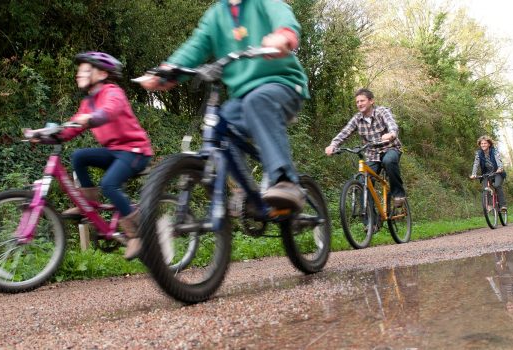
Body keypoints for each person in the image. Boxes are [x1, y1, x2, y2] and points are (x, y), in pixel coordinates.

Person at [139, 0, 309, 212]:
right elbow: (196, 46)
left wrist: (283, 36)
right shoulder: (216, 14)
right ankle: (248, 191)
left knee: (257, 101)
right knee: (220, 125)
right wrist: (167, 72)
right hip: (243, 98)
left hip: (282, 84)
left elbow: (281, 14)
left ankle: (285, 180)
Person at [59, 51, 153, 260]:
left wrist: (91, 118)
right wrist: (48, 135)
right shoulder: (88, 102)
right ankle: (88, 205)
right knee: (79, 156)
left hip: (135, 150)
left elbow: (109, 111)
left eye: (85, 70)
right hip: (114, 151)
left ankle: (136, 234)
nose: (79, 74)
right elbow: (71, 127)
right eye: (79, 70)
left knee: (109, 183)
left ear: (101, 74)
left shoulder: (113, 92)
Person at [325, 88, 407, 207]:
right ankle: (370, 222)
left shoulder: (382, 112)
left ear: (371, 101)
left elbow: (392, 125)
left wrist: (391, 134)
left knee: (389, 161)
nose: (359, 104)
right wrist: (333, 145)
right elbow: (345, 132)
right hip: (372, 154)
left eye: (362, 101)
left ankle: (398, 194)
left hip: (390, 148)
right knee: (363, 182)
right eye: (357, 102)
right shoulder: (357, 119)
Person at [469, 135, 507, 211]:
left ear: (489, 144)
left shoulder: (494, 151)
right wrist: (474, 174)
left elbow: (499, 160)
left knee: (497, 185)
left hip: (497, 172)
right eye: (481, 143)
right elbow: (476, 164)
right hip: (487, 173)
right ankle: (489, 205)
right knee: (486, 187)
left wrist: (500, 168)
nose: (483, 145)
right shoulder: (479, 153)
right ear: (480, 145)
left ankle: (503, 205)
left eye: (485, 143)